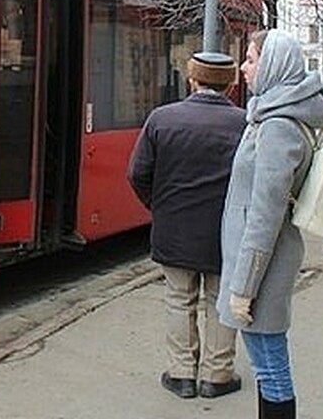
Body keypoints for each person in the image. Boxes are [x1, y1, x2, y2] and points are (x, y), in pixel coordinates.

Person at [217, 29, 323, 419]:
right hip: (262, 262)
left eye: (251, 59)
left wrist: (243, 288)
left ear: (275, 65)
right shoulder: (271, 115)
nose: (245, 68)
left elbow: (266, 213)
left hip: (261, 267)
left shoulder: (278, 126)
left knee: (270, 368)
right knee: (268, 365)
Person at [128, 52, 247, 400]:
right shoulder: (244, 123)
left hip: (174, 229)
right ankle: (217, 376)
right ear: (229, 84)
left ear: (192, 80)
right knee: (219, 301)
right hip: (224, 233)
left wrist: (160, 206)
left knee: (179, 300)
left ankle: (181, 374)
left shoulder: (162, 119)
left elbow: (137, 174)